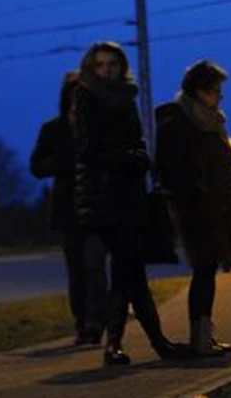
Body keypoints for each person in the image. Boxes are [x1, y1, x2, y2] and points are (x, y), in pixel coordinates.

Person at [70, 41, 193, 365]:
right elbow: (87, 149)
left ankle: (126, 345)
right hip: (105, 198)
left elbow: (136, 139)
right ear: (92, 68)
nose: (107, 69)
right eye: (101, 64)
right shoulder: (86, 97)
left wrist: (139, 158)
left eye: (113, 63)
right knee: (129, 270)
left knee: (129, 272)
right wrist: (129, 159)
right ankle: (148, 343)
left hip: (129, 195)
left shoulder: (126, 98)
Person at [154, 60, 231, 356]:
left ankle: (205, 334)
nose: (220, 95)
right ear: (199, 90)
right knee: (204, 268)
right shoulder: (180, 122)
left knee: (209, 269)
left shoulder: (211, 120)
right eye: (215, 89)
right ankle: (200, 337)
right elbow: (170, 167)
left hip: (215, 206)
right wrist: (196, 191)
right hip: (195, 208)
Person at [30, 71, 108, 346]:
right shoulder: (53, 130)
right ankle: (82, 323)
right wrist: (62, 160)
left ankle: (95, 321)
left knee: (95, 266)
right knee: (76, 271)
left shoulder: (100, 128)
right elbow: (37, 167)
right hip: (68, 209)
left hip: (97, 207)